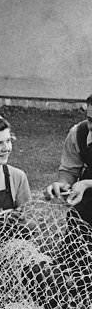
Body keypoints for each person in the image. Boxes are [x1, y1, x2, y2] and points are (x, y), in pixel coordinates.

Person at [45, 94, 92, 224]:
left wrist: (87, 184)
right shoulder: (78, 133)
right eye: (90, 120)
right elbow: (69, 171)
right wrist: (62, 185)